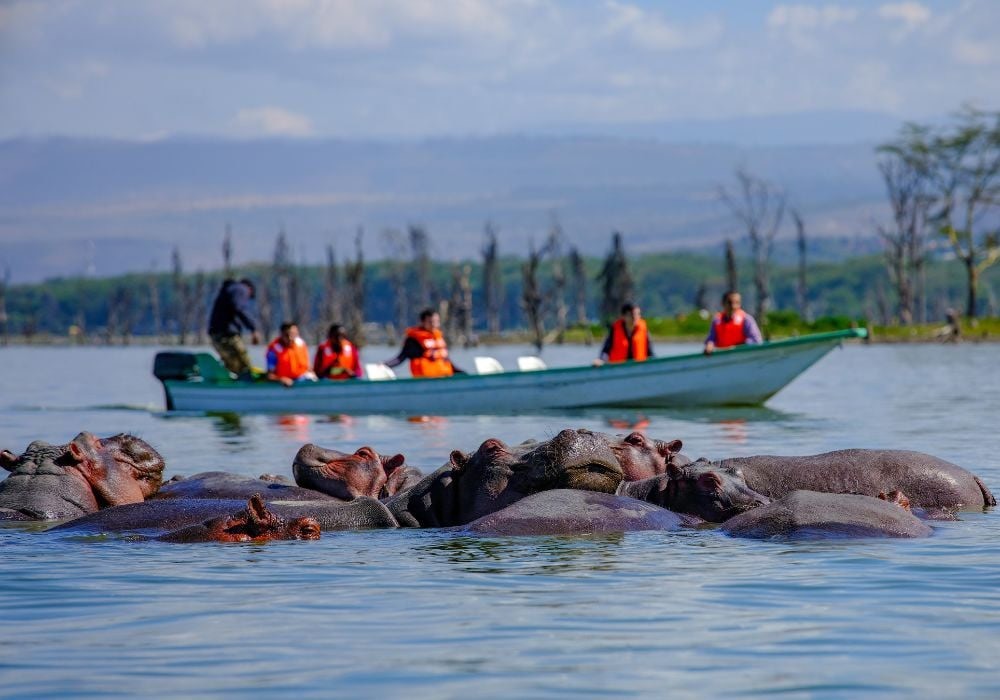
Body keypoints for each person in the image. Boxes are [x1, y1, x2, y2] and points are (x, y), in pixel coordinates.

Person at [385, 308, 464, 378]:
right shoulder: (413, 340)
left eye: (436, 321)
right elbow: (400, 358)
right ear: (422, 322)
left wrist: (462, 374)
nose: (434, 325)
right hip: (426, 379)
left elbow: (447, 361)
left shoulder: (438, 338)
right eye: (430, 322)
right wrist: (385, 365)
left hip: (444, 376)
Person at [207, 278, 261, 379]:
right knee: (244, 366)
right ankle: (248, 388)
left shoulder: (229, 290)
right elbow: (239, 308)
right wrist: (253, 329)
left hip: (216, 335)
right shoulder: (241, 289)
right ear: (250, 289)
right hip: (227, 335)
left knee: (232, 366)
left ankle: (233, 387)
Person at [266, 322, 317, 386]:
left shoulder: (301, 344)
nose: (290, 338)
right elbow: (270, 375)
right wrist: (282, 379)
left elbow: (308, 366)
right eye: (287, 335)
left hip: (302, 379)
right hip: (284, 383)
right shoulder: (274, 350)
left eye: (293, 334)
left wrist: (312, 373)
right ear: (281, 335)